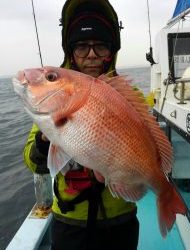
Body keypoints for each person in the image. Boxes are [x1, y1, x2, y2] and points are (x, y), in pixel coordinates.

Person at [23, 0, 139, 249]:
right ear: (70, 51)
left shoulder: (128, 96)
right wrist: (43, 145)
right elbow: (33, 162)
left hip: (121, 217)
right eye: (82, 47)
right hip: (70, 221)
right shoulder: (56, 97)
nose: (92, 56)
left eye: (101, 46)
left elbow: (142, 142)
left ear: (112, 50)